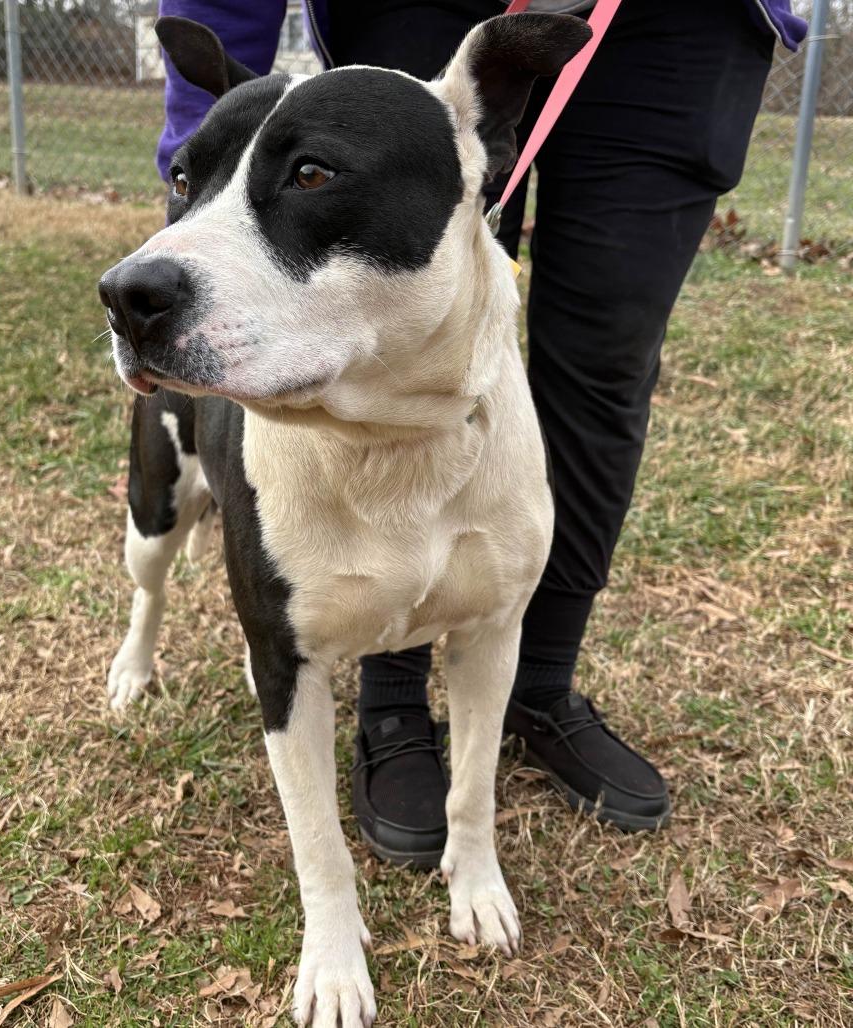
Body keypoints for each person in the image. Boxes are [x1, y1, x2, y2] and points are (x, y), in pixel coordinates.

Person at [154, 0, 807, 864]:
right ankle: (391, 708)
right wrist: (193, 183)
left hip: (676, 28)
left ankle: (541, 684)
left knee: (608, 361)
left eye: (309, 175)